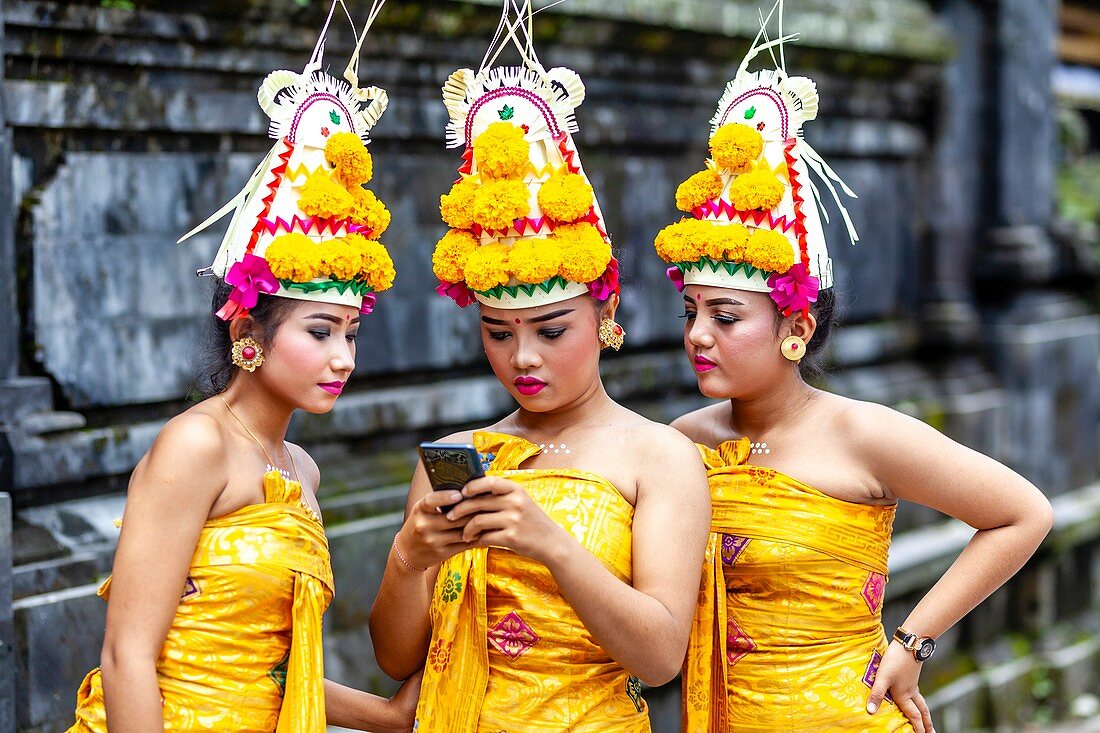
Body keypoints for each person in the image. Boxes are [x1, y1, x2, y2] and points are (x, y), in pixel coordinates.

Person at [651, 4, 1054, 732]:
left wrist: (915, 640)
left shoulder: (862, 433)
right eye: (690, 313)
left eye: (726, 316)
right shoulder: (682, 441)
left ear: (795, 327)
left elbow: (1022, 513)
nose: (698, 336)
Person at [68, 4, 418, 730]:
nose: (344, 357)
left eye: (351, 332)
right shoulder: (196, 446)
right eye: (320, 332)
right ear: (248, 330)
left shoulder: (300, 469)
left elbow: (268, 668)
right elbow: (128, 654)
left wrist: (389, 715)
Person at [368, 5, 710, 731]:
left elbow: (660, 656)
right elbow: (400, 661)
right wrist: (408, 558)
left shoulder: (660, 455)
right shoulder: (461, 457)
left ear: (604, 316)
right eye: (498, 331)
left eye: (551, 329)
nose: (522, 356)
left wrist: (549, 542)